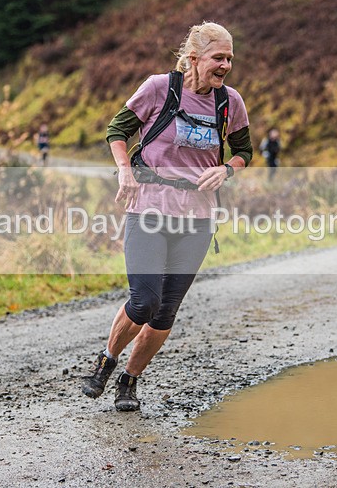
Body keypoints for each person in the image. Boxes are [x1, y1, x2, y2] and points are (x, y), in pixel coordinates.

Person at [82, 21, 253, 411]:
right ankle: (106, 363)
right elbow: (117, 129)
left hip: (198, 218)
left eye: (230, 57)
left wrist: (227, 169)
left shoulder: (230, 101)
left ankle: (129, 382)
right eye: (218, 57)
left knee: (165, 311)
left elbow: (245, 150)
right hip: (149, 207)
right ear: (194, 59)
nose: (226, 65)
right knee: (144, 300)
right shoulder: (159, 88)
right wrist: (125, 170)